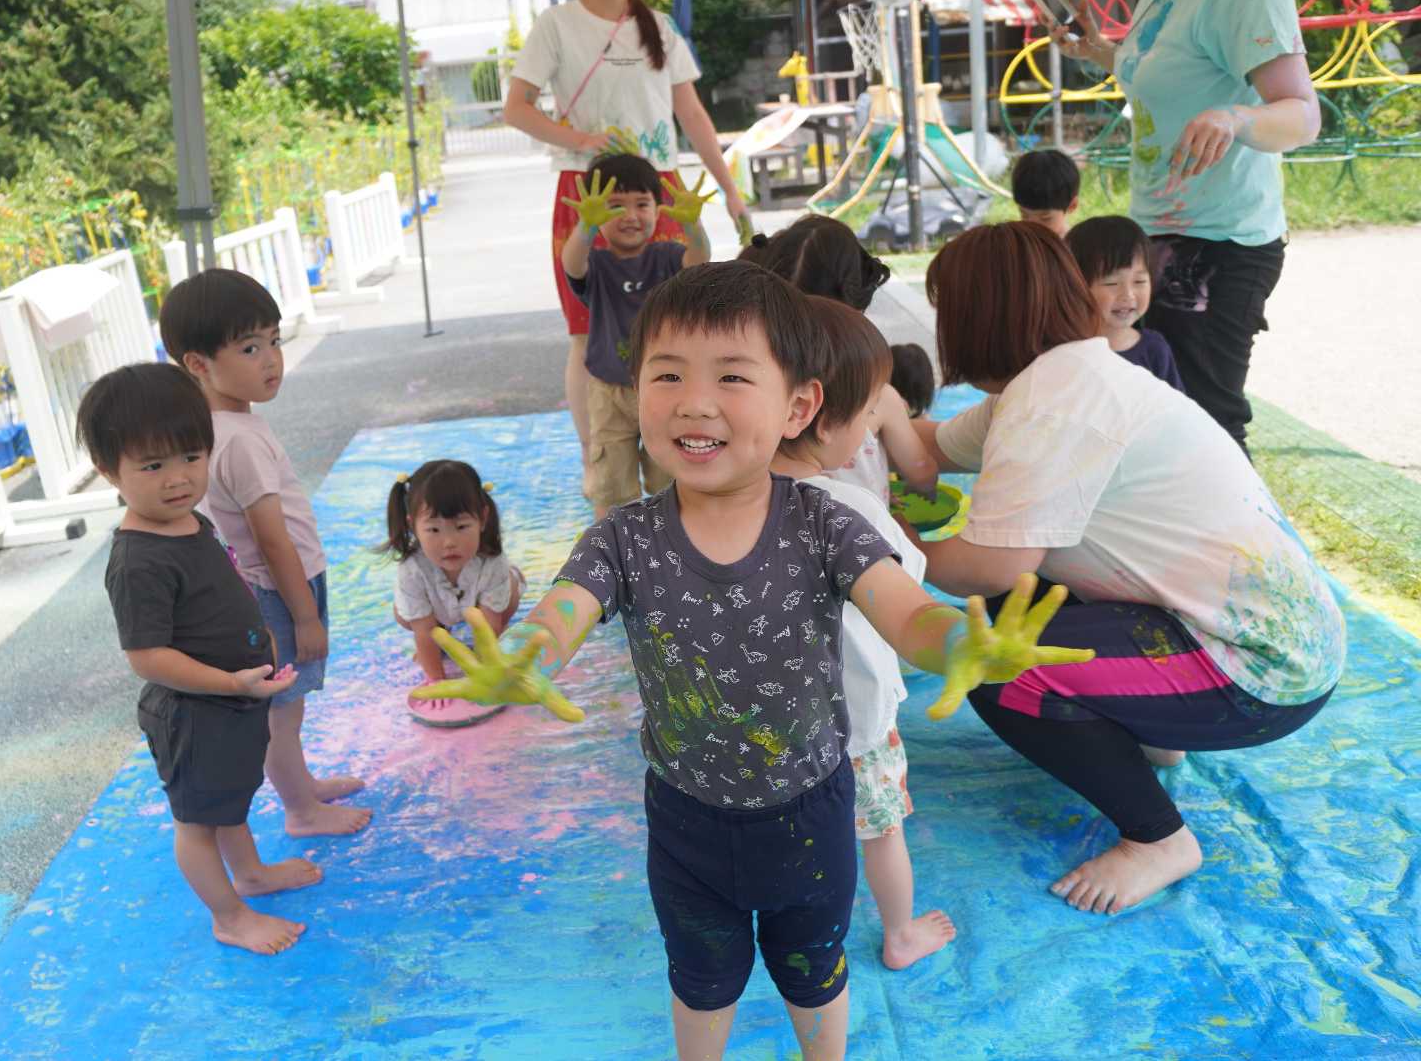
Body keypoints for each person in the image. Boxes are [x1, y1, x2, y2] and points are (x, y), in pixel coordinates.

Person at [408, 262, 1088, 1061]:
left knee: (815, 972)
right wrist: (523, 655)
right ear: (639, 391)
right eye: (667, 374)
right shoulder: (622, 538)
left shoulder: (824, 523)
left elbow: (905, 610)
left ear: (797, 405)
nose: (695, 400)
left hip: (811, 812)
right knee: (700, 976)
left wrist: (961, 644)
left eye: (731, 376)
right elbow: (566, 608)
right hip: (686, 820)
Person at [910, 223, 1344, 916]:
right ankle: (1159, 734)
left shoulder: (1054, 402)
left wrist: (889, 544)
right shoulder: (1066, 375)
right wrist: (871, 408)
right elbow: (930, 448)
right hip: (1263, 639)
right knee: (1031, 601)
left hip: (1264, 672)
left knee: (1003, 663)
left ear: (974, 317)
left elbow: (989, 567)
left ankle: (1159, 837)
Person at [78, 362, 322, 955]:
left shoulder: (191, 519)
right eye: (152, 466)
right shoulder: (138, 561)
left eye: (191, 456)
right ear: (110, 471)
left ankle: (252, 874)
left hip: (233, 698)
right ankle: (230, 916)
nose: (178, 478)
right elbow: (147, 656)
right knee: (198, 823)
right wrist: (230, 682)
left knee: (231, 800)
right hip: (195, 713)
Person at [768, 296, 955, 971]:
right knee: (881, 834)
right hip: (857, 725)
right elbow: (915, 576)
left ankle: (784, 929)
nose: (878, 420)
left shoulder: (720, 506)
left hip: (769, 731)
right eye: (874, 406)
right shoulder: (852, 506)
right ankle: (900, 932)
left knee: (785, 837)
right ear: (822, 414)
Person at [1044, 0, 1321, 449]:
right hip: (1157, 235)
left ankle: (1244, 522)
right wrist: (1096, 48)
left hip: (1219, 242)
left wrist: (1235, 118)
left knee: (1209, 426)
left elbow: (1304, 116)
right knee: (1160, 414)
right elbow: (1176, 78)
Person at [504, 0, 751, 467]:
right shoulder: (556, 25)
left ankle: (681, 446)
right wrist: (582, 140)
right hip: (591, 192)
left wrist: (731, 192)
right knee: (586, 329)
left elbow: (692, 115)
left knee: (678, 324)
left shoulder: (658, 26)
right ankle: (594, 457)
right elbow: (516, 109)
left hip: (658, 188)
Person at [172, 269, 372, 839]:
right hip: (279, 593)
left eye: (275, 341)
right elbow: (271, 537)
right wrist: (304, 615)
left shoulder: (224, 426)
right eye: (250, 347)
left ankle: (301, 787)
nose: (272, 360)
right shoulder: (236, 440)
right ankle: (301, 810)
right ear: (199, 364)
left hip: (270, 589)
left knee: (290, 709)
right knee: (282, 714)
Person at [742, 215, 939, 506]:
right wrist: (921, 490)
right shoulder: (878, 396)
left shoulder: (751, 392)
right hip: (860, 542)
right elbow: (921, 469)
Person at [561, 152, 711, 517]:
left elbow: (700, 260)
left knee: (671, 478)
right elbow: (572, 263)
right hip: (609, 392)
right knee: (612, 483)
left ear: (659, 210)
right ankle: (615, 553)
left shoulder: (668, 257)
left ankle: (673, 542)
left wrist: (693, 226)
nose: (630, 216)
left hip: (666, 389)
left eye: (642, 203)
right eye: (615, 206)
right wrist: (585, 227)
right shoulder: (597, 263)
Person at [386, 459, 526, 726]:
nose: (449, 542)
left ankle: (511, 585)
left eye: (461, 527)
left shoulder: (491, 561)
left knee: (508, 598)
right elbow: (424, 630)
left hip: (479, 603)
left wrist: (485, 674)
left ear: (483, 519)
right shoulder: (412, 570)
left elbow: (488, 626)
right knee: (407, 617)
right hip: (436, 610)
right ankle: (443, 635)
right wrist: (436, 680)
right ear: (413, 525)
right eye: (433, 530)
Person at [1065, 215, 1186, 391]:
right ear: (1077, 286)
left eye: (1139, 282)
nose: (1128, 295)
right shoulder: (1066, 349)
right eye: (1111, 283)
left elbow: (1177, 411)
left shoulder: (1155, 350)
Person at [1010, 148, 1080, 237]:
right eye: (1024, 215)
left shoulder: (1072, 247)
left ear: (1072, 205)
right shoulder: (1021, 241)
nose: (1032, 227)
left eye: (1045, 218)